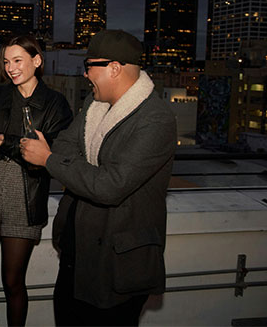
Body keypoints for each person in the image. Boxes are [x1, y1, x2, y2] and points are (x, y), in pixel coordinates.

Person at [20, 29, 177, 326]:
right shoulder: (94, 106)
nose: (85, 74)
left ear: (114, 68)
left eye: (89, 65)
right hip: (76, 253)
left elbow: (109, 186)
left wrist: (50, 160)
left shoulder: (155, 119)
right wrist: (81, 169)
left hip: (117, 263)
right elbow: (66, 142)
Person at [0, 35, 73, 326]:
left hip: (25, 193)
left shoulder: (56, 104)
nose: (11, 68)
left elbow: (56, 154)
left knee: (13, 283)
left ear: (37, 61)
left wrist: (6, 142)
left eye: (18, 60)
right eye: (6, 62)